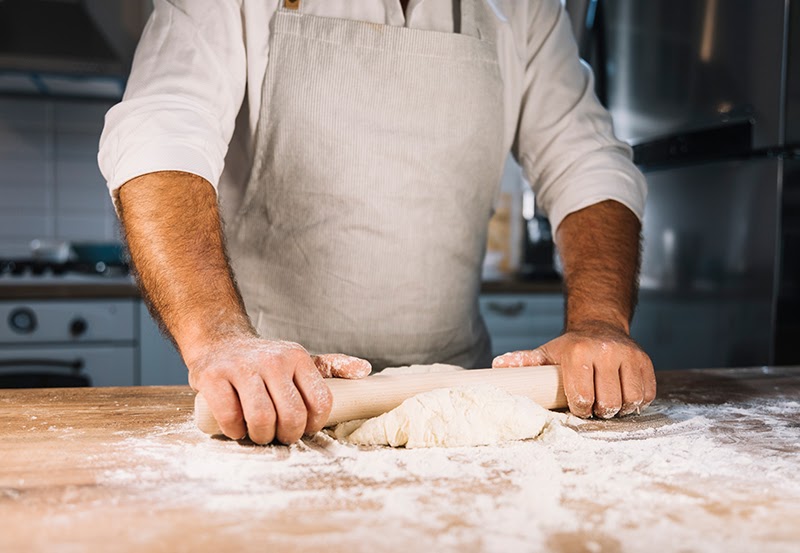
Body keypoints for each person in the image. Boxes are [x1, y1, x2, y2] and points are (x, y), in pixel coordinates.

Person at [99, 0, 656, 445]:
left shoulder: (525, 8)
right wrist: (220, 340)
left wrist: (599, 320)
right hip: (267, 401)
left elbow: (586, 160)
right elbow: (161, 130)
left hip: (454, 399)